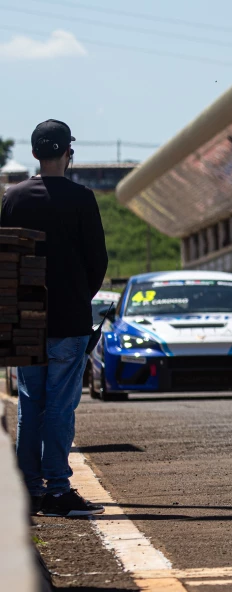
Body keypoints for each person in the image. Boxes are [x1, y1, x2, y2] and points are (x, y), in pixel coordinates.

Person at [0, 120, 108, 516]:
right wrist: (80, 295)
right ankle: (58, 491)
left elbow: (6, 259)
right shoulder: (82, 198)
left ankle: (28, 489)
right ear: (68, 153)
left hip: (26, 320)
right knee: (61, 406)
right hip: (69, 318)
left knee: (31, 404)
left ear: (34, 154)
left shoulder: (13, 198)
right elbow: (98, 261)